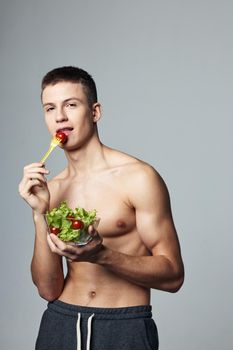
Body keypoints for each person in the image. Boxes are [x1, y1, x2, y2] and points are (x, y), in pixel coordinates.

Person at [18, 66, 184, 350]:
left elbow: (173, 275)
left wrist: (101, 255)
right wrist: (39, 214)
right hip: (61, 323)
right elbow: (48, 289)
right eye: (50, 108)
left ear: (94, 112)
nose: (59, 116)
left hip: (125, 325)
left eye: (71, 104)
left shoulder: (138, 177)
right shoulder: (52, 189)